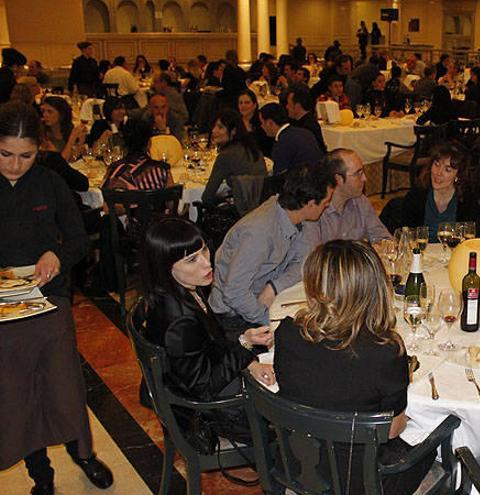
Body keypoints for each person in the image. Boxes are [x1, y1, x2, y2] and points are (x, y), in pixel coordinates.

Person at [0, 101, 113, 494]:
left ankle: (82, 452)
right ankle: (41, 475)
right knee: (17, 388)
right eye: (5, 154)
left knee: (63, 382)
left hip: (48, 294)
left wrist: (57, 255)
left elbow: (80, 240)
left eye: (25, 156)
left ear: (39, 149)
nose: (15, 166)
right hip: (2, 306)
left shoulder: (50, 182)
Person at [274, 239, 432, 494]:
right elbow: (391, 431)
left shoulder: (287, 333)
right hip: (360, 482)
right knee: (439, 437)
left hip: (297, 464)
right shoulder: (385, 351)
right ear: (375, 289)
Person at [140, 218, 276, 444]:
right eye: (192, 260)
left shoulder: (186, 289)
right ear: (165, 267)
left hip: (206, 385)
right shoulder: (179, 322)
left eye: (204, 249)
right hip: (205, 413)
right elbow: (204, 388)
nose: (206, 263)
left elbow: (209, 343)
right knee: (290, 416)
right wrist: (243, 346)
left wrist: (247, 356)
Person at [209, 164, 336, 336]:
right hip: (235, 316)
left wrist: (274, 287)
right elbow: (234, 294)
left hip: (265, 300)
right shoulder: (259, 232)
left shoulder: (298, 216)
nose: (327, 207)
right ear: (311, 203)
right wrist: (269, 319)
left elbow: (304, 262)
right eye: (326, 203)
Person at [303, 149, 390, 250]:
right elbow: (314, 258)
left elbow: (383, 239)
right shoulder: (315, 210)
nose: (364, 179)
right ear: (338, 179)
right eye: (358, 173)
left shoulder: (361, 201)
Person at [395, 142, 480, 240]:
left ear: (458, 175)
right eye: (436, 165)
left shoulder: (467, 200)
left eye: (447, 170)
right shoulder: (416, 196)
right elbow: (405, 237)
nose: (438, 173)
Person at [201, 109, 266, 206]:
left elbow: (207, 197)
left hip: (241, 210)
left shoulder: (225, 156)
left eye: (220, 127)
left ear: (233, 131)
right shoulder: (253, 149)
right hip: (263, 205)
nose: (214, 131)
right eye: (214, 126)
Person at [102, 118, 173, 190]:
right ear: (149, 143)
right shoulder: (162, 170)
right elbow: (172, 198)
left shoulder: (114, 171)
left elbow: (104, 197)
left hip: (126, 200)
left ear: (124, 142)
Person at [259, 102, 322, 176]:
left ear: (270, 123)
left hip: (303, 183)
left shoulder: (282, 144)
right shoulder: (304, 132)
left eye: (262, 123)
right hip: (319, 178)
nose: (261, 126)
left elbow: (280, 177)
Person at [40, 96, 87, 161]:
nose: (45, 115)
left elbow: (72, 158)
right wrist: (72, 137)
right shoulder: (43, 134)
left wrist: (81, 142)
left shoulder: (67, 129)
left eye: (49, 112)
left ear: (61, 114)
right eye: (43, 111)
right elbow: (60, 162)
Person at [283, 85, 327, 153]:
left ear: (297, 106)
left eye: (289, 104)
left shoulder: (308, 127)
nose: (287, 107)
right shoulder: (298, 121)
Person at [238, 89, 273, 158]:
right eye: (240, 103)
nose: (243, 106)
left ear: (254, 105)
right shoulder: (236, 121)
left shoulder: (261, 123)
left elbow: (266, 147)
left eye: (247, 103)